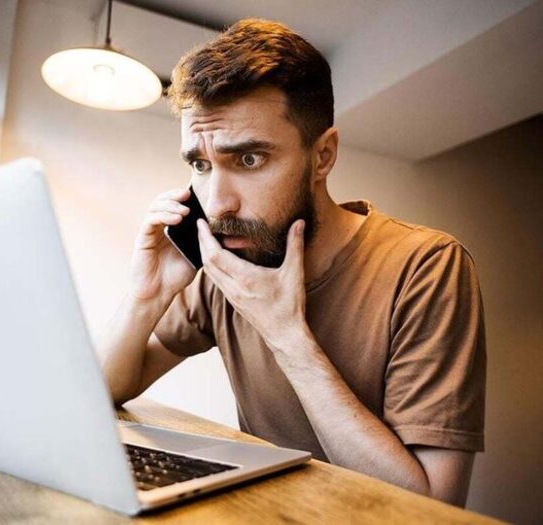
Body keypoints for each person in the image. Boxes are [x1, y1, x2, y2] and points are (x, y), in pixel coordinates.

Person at [101, 19, 485, 507]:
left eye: (249, 160)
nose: (217, 205)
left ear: (322, 156)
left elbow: (431, 505)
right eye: (200, 165)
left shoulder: (427, 266)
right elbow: (105, 390)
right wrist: (145, 298)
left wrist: (288, 337)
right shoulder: (227, 261)